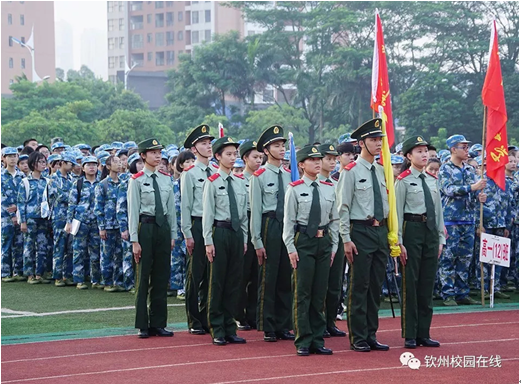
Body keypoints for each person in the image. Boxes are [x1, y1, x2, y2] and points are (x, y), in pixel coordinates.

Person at [336, 118, 390, 352]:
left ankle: (371, 333)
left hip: (380, 231)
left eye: (380, 140)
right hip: (360, 231)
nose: (378, 144)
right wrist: (346, 239)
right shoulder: (350, 172)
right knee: (360, 285)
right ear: (361, 143)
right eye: (373, 140)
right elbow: (343, 208)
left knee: (376, 285)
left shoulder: (380, 170)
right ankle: (358, 336)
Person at [283, 145, 339, 356]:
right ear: (301, 165)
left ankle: (318, 338)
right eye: (312, 160)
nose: (317, 162)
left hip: (324, 242)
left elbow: (334, 219)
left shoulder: (328, 187)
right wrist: (290, 248)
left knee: (319, 292)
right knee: (303, 292)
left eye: (319, 159)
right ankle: (303, 339)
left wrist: (333, 246)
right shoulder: (294, 188)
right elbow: (288, 223)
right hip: (304, 241)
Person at [395, 136, 445, 349]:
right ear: (408, 156)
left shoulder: (432, 180)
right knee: (411, 283)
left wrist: (441, 238)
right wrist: (398, 241)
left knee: (426, 283)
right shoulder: (403, 181)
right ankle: (410, 334)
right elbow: (396, 213)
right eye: (419, 151)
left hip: (430, 232)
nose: (424, 155)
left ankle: (424, 332)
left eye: (426, 151)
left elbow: (439, 212)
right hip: (412, 230)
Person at [128, 138, 177, 338]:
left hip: (162, 228)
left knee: (161, 276)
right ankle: (143, 324)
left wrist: (173, 234)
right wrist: (134, 240)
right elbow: (133, 211)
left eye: (159, 153)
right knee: (143, 277)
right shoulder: (136, 180)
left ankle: (158, 322)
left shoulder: (166, 178)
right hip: (145, 227)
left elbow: (171, 210)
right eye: (153, 152)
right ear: (143, 155)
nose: (158, 156)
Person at [250, 125, 294, 342]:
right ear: (266, 150)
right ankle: (268, 325)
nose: (282, 149)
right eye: (277, 146)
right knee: (269, 276)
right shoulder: (258, 176)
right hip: (269, 225)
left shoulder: (289, 175)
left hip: (286, 226)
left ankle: (284, 324)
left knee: (286, 276)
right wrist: (257, 241)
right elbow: (256, 211)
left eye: (283, 145)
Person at [202, 137, 248, 346]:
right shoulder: (212, 182)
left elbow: (244, 215)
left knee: (234, 282)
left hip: (237, 234)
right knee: (217, 281)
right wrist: (208, 241)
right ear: (218, 156)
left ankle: (231, 327)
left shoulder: (240, 182)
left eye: (234, 154)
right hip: (219, 232)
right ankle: (217, 327)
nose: (232, 158)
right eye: (228, 154)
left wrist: (245, 238)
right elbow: (207, 215)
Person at [438, 135, 486, 306]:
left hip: (468, 220)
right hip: (451, 220)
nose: (466, 150)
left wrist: (479, 195)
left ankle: (462, 292)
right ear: (453, 149)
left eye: (467, 147)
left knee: (465, 259)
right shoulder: (445, 169)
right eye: (463, 147)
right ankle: (448, 293)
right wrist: (471, 188)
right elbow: (448, 190)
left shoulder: (469, 170)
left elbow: (473, 192)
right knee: (448, 258)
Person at [181, 125, 216, 335]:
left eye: (210, 143)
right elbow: (185, 205)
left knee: (212, 275)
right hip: (197, 223)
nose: (208, 146)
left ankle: (207, 316)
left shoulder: (215, 171)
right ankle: (194, 319)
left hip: (214, 225)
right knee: (196, 274)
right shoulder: (190, 173)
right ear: (194, 149)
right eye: (203, 143)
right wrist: (187, 233)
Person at [317, 143, 346, 338]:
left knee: (335, 282)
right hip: (320, 237)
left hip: (338, 235)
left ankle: (330, 321)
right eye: (328, 158)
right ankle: (318, 322)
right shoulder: (312, 184)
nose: (332, 162)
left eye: (334, 158)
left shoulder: (336, 184)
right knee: (319, 283)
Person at [236, 140, 263, 331]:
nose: (259, 161)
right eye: (255, 157)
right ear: (245, 158)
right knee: (243, 274)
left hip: (260, 224)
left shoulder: (262, 178)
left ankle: (253, 314)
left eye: (261, 157)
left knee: (257, 274)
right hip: (245, 224)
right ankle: (239, 314)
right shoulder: (239, 180)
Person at [66, 156, 102, 290]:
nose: (92, 167)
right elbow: (72, 204)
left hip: (96, 222)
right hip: (80, 222)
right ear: (83, 168)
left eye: (94, 164)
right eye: (88, 165)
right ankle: (79, 279)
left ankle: (96, 279)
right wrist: (69, 222)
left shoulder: (101, 183)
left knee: (96, 251)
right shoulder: (78, 183)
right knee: (78, 251)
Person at [17, 151, 51, 284]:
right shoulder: (25, 182)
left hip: (43, 218)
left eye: (44, 162)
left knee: (42, 246)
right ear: (33, 164)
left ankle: (39, 273)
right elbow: (21, 203)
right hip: (30, 218)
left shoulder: (47, 181)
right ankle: (29, 273)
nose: (43, 164)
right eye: (40, 162)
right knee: (29, 246)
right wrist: (23, 221)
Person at [95, 155, 125, 292]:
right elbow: (98, 207)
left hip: (120, 225)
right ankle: (106, 281)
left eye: (120, 162)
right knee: (107, 254)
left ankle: (118, 281)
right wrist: (101, 227)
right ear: (108, 166)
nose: (119, 165)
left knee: (119, 254)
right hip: (108, 224)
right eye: (115, 162)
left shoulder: (123, 183)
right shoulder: (103, 185)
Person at [48, 152, 76, 286]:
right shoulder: (54, 179)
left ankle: (67, 274)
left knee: (70, 246)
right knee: (59, 245)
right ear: (63, 163)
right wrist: (73, 197)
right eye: (70, 163)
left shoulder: (72, 178)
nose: (72, 166)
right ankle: (57, 275)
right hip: (59, 216)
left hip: (71, 216)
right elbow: (60, 196)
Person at [116, 153, 143, 293]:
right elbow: (121, 207)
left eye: (142, 162)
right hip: (129, 223)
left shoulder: (147, 179)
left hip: (144, 224)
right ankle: (129, 282)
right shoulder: (125, 182)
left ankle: (142, 282)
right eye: (138, 163)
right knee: (128, 255)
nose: (141, 165)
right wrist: (123, 228)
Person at [1, 147, 25, 282]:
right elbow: (2, 197)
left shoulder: (22, 176)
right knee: (6, 242)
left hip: (20, 214)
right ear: (3, 158)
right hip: (5, 215)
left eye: (14, 156)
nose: (12, 159)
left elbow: (24, 196)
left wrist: (18, 208)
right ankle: (5, 272)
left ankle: (18, 270)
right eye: (9, 156)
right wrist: (12, 213)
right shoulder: (1, 176)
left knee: (19, 242)